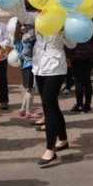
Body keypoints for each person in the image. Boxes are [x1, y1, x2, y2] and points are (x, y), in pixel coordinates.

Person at [32, 29, 76, 165]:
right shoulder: (38, 16)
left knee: (48, 105)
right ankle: (63, 139)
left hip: (56, 66)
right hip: (39, 65)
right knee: (52, 105)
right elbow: (23, 16)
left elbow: (72, 44)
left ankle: (50, 149)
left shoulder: (62, 18)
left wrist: (63, 31)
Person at [14, 21, 41, 119]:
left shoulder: (18, 38)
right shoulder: (26, 37)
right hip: (29, 64)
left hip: (24, 66)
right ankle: (28, 111)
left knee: (28, 89)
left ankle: (23, 109)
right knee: (31, 89)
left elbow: (17, 52)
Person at [68, 27, 93, 113]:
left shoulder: (72, 23)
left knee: (78, 81)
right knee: (87, 80)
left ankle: (79, 105)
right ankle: (87, 105)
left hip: (76, 54)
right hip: (88, 53)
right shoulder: (90, 22)